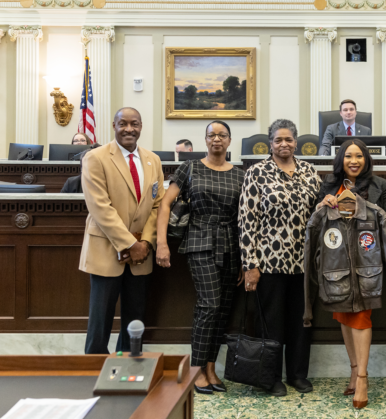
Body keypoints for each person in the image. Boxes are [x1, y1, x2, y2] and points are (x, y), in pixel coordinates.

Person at [315, 139, 386, 404]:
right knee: (344, 313)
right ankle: (354, 370)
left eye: (359, 156)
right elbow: (318, 220)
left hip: (369, 261)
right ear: (340, 160)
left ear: (367, 159)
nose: (354, 161)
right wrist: (323, 204)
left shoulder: (381, 186)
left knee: (361, 315)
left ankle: (364, 378)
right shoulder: (329, 185)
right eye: (348, 156)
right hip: (337, 262)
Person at [156, 121, 245, 395]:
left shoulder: (241, 175)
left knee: (223, 310)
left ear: (230, 141)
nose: (217, 139)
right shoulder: (190, 168)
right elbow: (165, 203)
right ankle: (196, 370)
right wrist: (161, 243)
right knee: (209, 305)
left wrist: (246, 257)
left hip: (231, 245)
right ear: (205, 140)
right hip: (200, 241)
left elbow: (246, 217)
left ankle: (210, 367)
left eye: (222, 135)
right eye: (211, 135)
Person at [305, 192, 386, 409]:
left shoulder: (375, 214)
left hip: (367, 282)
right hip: (337, 281)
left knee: (361, 320)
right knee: (344, 318)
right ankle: (354, 369)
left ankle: (362, 377)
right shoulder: (325, 213)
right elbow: (311, 253)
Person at [239, 119, 322, 396]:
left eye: (288, 140)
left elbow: (320, 214)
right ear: (270, 143)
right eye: (278, 140)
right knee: (271, 323)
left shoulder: (310, 172)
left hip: (304, 261)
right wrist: (250, 264)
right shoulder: (257, 172)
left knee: (302, 320)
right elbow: (247, 220)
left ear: (296, 142)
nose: (283, 144)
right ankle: (272, 377)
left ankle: (298, 374)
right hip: (269, 262)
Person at [80, 107, 164, 354]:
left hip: (141, 254)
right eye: (123, 123)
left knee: (135, 316)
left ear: (141, 126)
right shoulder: (95, 157)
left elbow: (156, 205)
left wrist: (146, 242)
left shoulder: (153, 159)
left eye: (135, 124)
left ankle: (128, 362)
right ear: (114, 126)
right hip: (107, 248)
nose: (129, 129)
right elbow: (99, 206)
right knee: (101, 317)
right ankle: (93, 366)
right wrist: (130, 244)